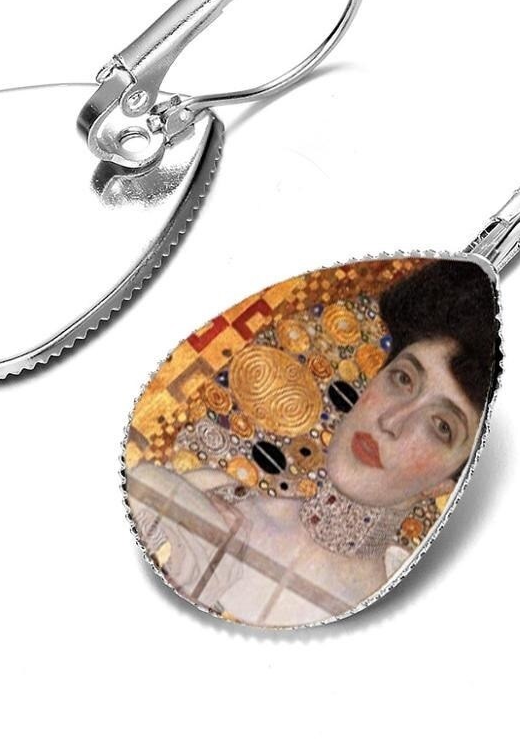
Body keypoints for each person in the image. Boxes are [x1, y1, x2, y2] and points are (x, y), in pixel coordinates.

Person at [126, 259, 497, 627]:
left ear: (448, 482)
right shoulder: (194, 500)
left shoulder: (397, 616)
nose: (391, 422)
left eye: (441, 426)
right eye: (403, 379)